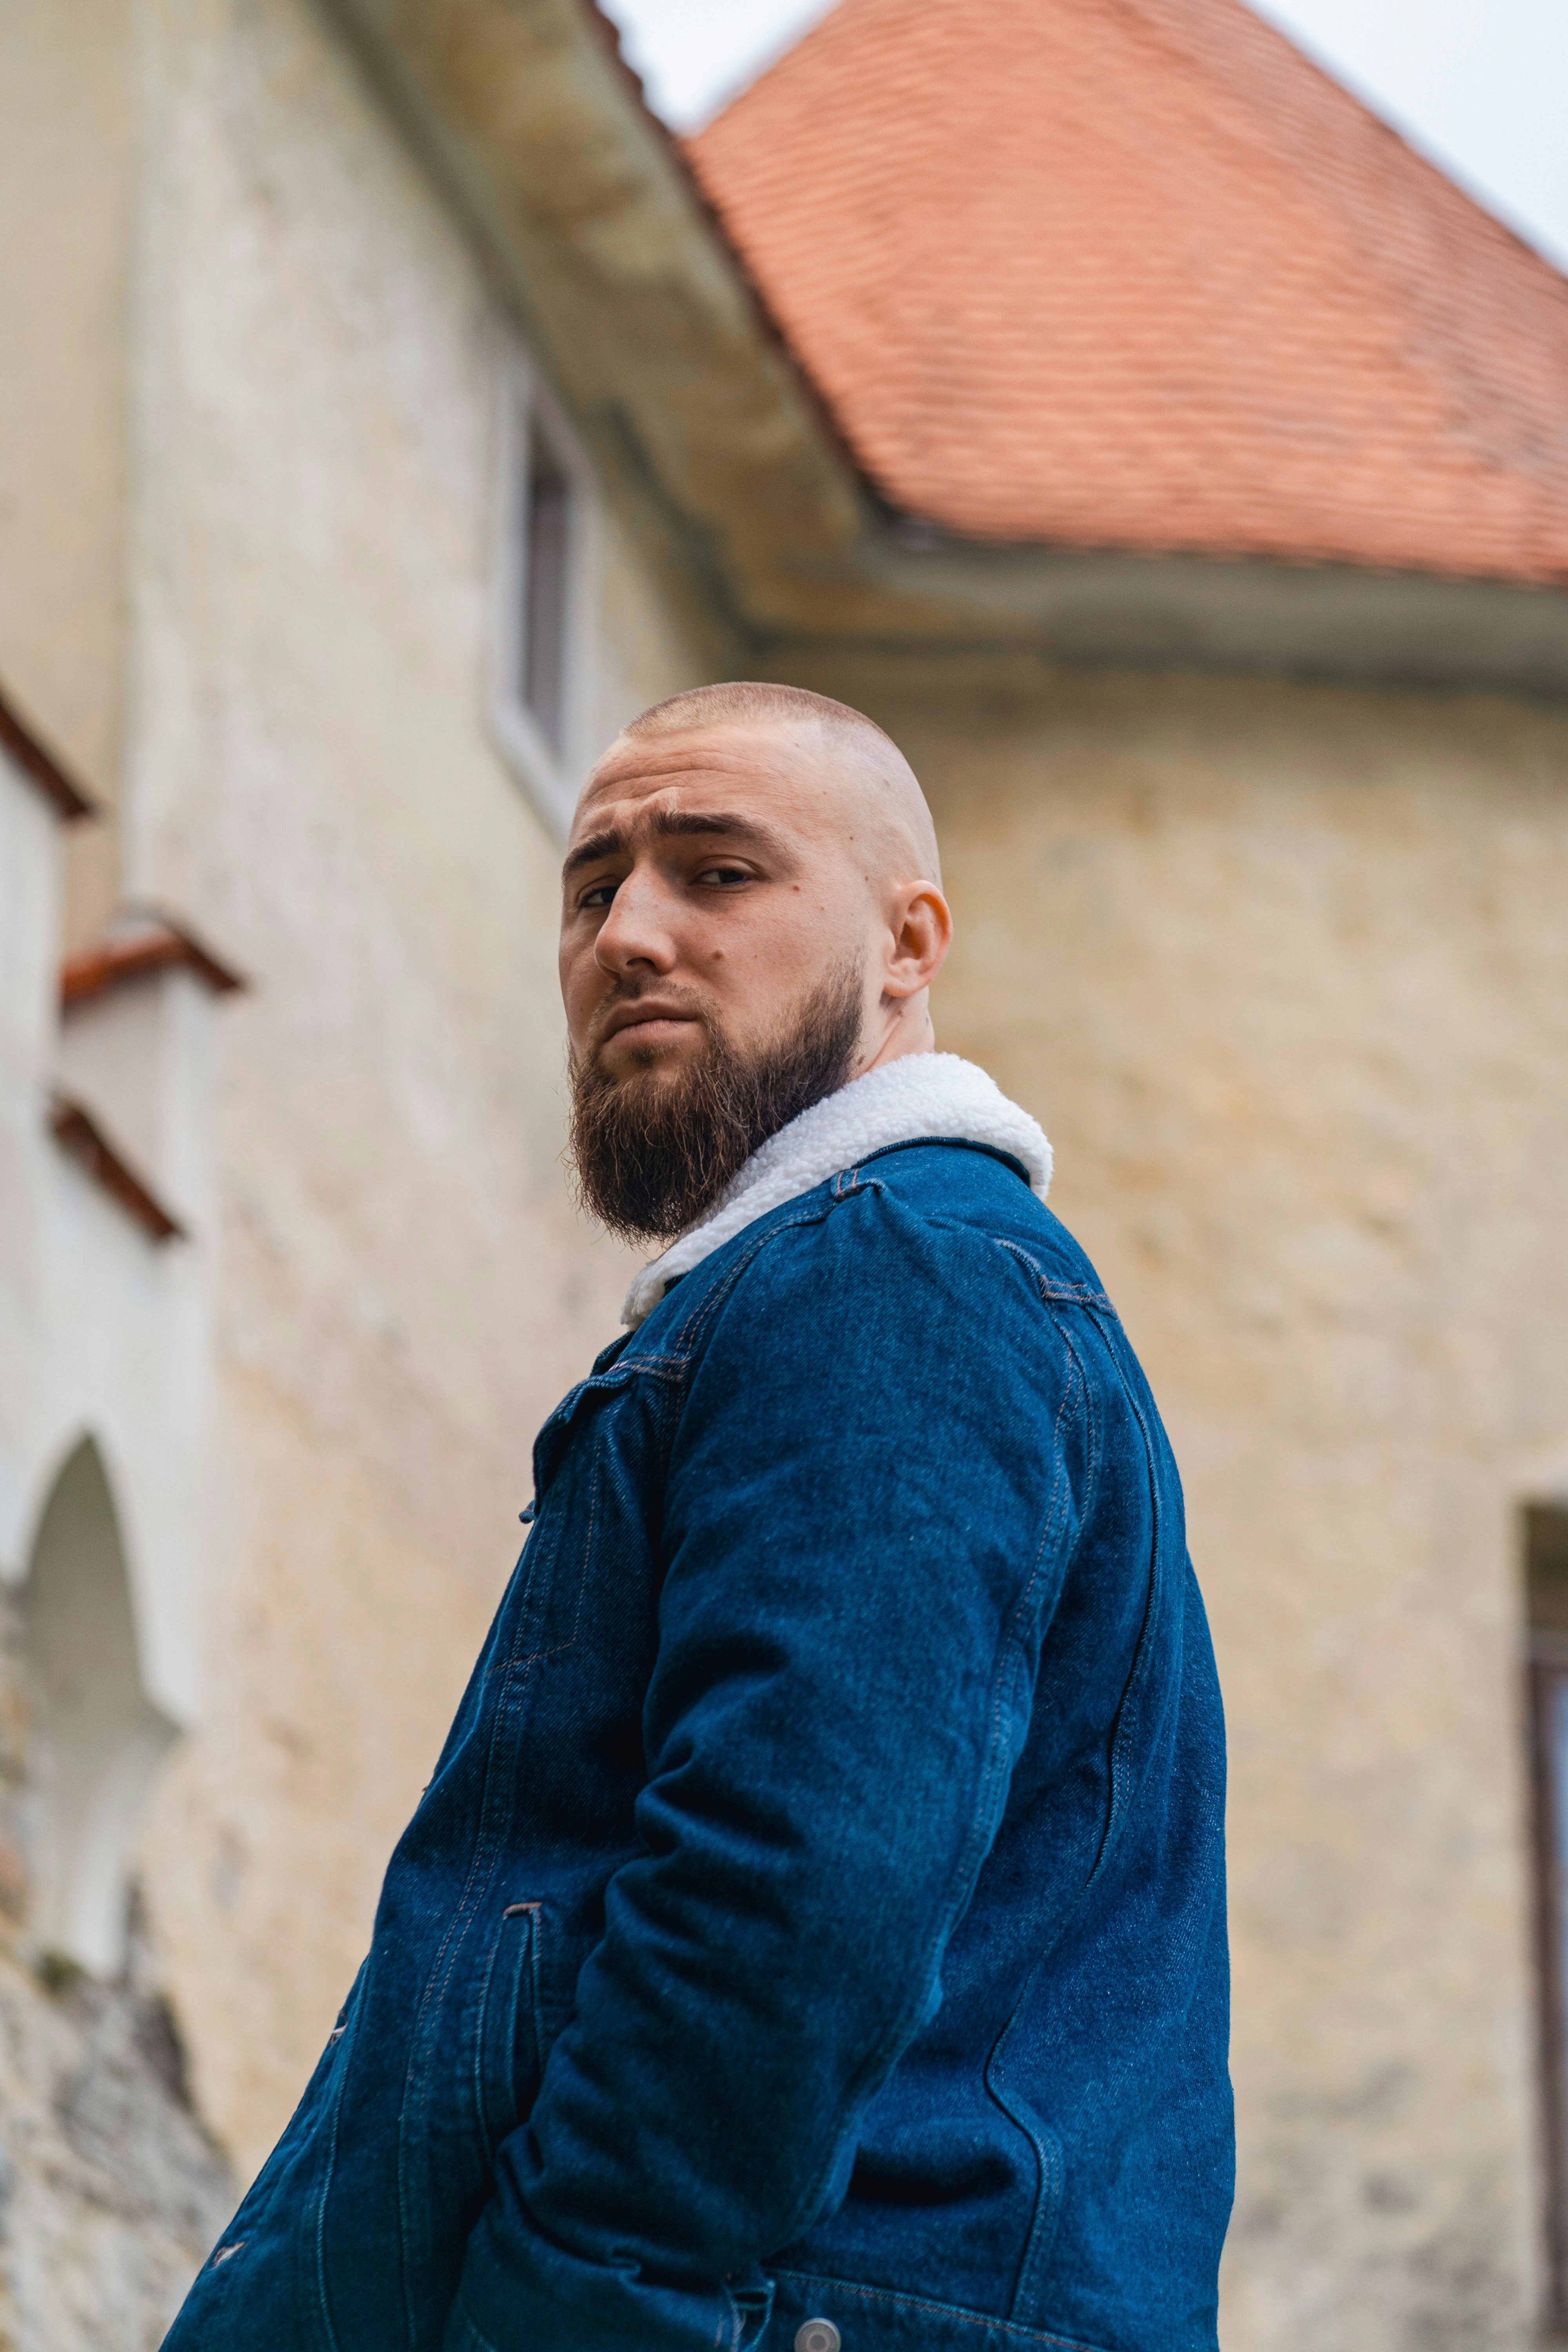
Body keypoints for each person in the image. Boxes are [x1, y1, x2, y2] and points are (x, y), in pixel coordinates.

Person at [165, 683, 1232, 2352]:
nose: (631, 934)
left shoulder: (891, 1274)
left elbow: (788, 1892)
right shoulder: (815, 1285)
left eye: (718, 873)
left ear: (907, 945)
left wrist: (570, 2311)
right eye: (592, 890)